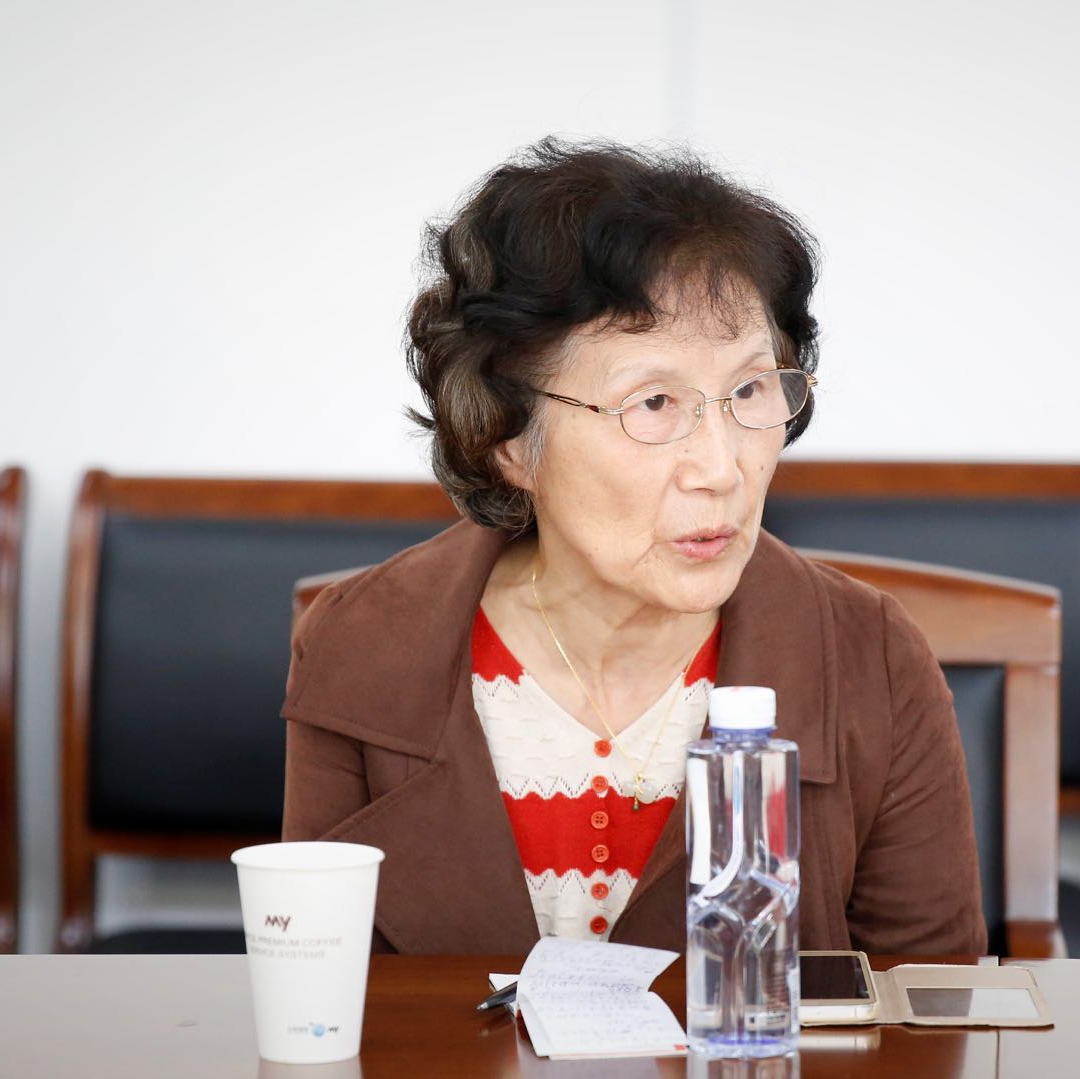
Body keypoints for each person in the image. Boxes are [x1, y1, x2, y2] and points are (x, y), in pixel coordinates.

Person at [282, 139, 985, 956]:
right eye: (654, 403)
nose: (721, 468)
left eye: (750, 389)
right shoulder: (364, 642)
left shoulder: (872, 658)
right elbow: (322, 990)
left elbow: (926, 1008)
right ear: (508, 438)